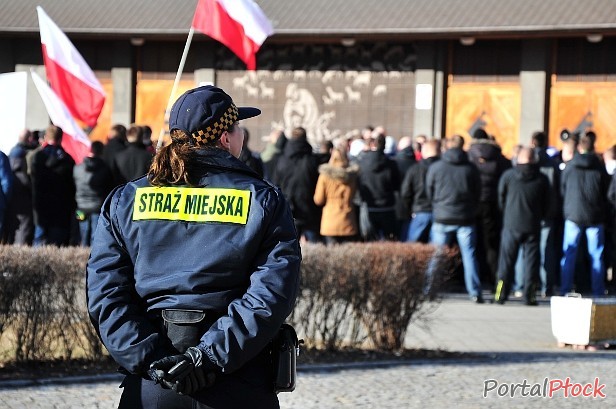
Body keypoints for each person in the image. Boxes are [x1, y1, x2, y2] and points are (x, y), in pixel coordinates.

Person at [86, 85, 301, 408]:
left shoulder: (126, 199)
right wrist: (208, 357)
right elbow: (272, 293)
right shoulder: (262, 199)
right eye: (237, 127)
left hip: (152, 385)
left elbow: (105, 293)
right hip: (237, 377)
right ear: (226, 138)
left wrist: (151, 360)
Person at [425, 135, 483, 302]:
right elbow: (477, 192)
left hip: (442, 216)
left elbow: (430, 190)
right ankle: (475, 292)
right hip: (465, 217)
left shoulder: (437, 167)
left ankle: (430, 289)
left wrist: (438, 205)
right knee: (469, 255)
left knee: (436, 255)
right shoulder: (471, 168)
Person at [493, 147, 550, 305]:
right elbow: (548, 203)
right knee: (531, 263)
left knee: (506, 262)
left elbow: (500, 199)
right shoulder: (542, 179)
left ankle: (500, 295)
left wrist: (507, 214)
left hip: (511, 224)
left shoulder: (508, 176)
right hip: (533, 225)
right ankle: (529, 296)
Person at [559, 132, 610, 296]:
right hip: (595, 217)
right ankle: (598, 291)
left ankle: (565, 289)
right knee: (596, 256)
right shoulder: (600, 168)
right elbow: (607, 193)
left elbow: (562, 189)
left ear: (579, 148)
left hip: (573, 215)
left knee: (569, 253)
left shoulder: (570, 166)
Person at [467, 128, 511, 287]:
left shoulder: (468, 155)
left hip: (472, 203)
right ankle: (494, 278)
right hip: (492, 205)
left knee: (471, 243)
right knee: (491, 243)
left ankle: (472, 280)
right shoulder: (499, 158)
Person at [272, 126, 322, 242]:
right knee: (315, 248)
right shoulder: (311, 160)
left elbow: (275, 185)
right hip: (309, 209)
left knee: (287, 250)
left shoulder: (282, 160)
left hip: (288, 209)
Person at [29, 125, 75, 246]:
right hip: (61, 208)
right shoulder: (67, 159)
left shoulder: (37, 157)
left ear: (45, 137)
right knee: (57, 245)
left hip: (41, 206)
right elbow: (72, 186)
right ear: (61, 139)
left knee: (39, 242)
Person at [357, 133, 401, 241]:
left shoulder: (362, 162)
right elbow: (396, 185)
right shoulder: (391, 164)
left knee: (371, 241)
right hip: (387, 206)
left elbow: (359, 183)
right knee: (389, 241)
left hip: (369, 205)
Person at [313, 146, 359, 245]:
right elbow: (355, 195)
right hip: (348, 219)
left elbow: (318, 200)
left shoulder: (325, 176)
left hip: (330, 220)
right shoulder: (352, 176)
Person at [73, 141, 114, 246]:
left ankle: (79, 257)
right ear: (101, 151)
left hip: (80, 207)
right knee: (96, 237)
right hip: (98, 207)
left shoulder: (77, 168)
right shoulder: (105, 168)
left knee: (82, 235)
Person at [401, 139, 440, 243]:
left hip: (420, 210)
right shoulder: (444, 169)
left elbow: (405, 192)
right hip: (439, 212)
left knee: (413, 247)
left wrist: (410, 209)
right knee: (436, 248)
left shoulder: (415, 169)